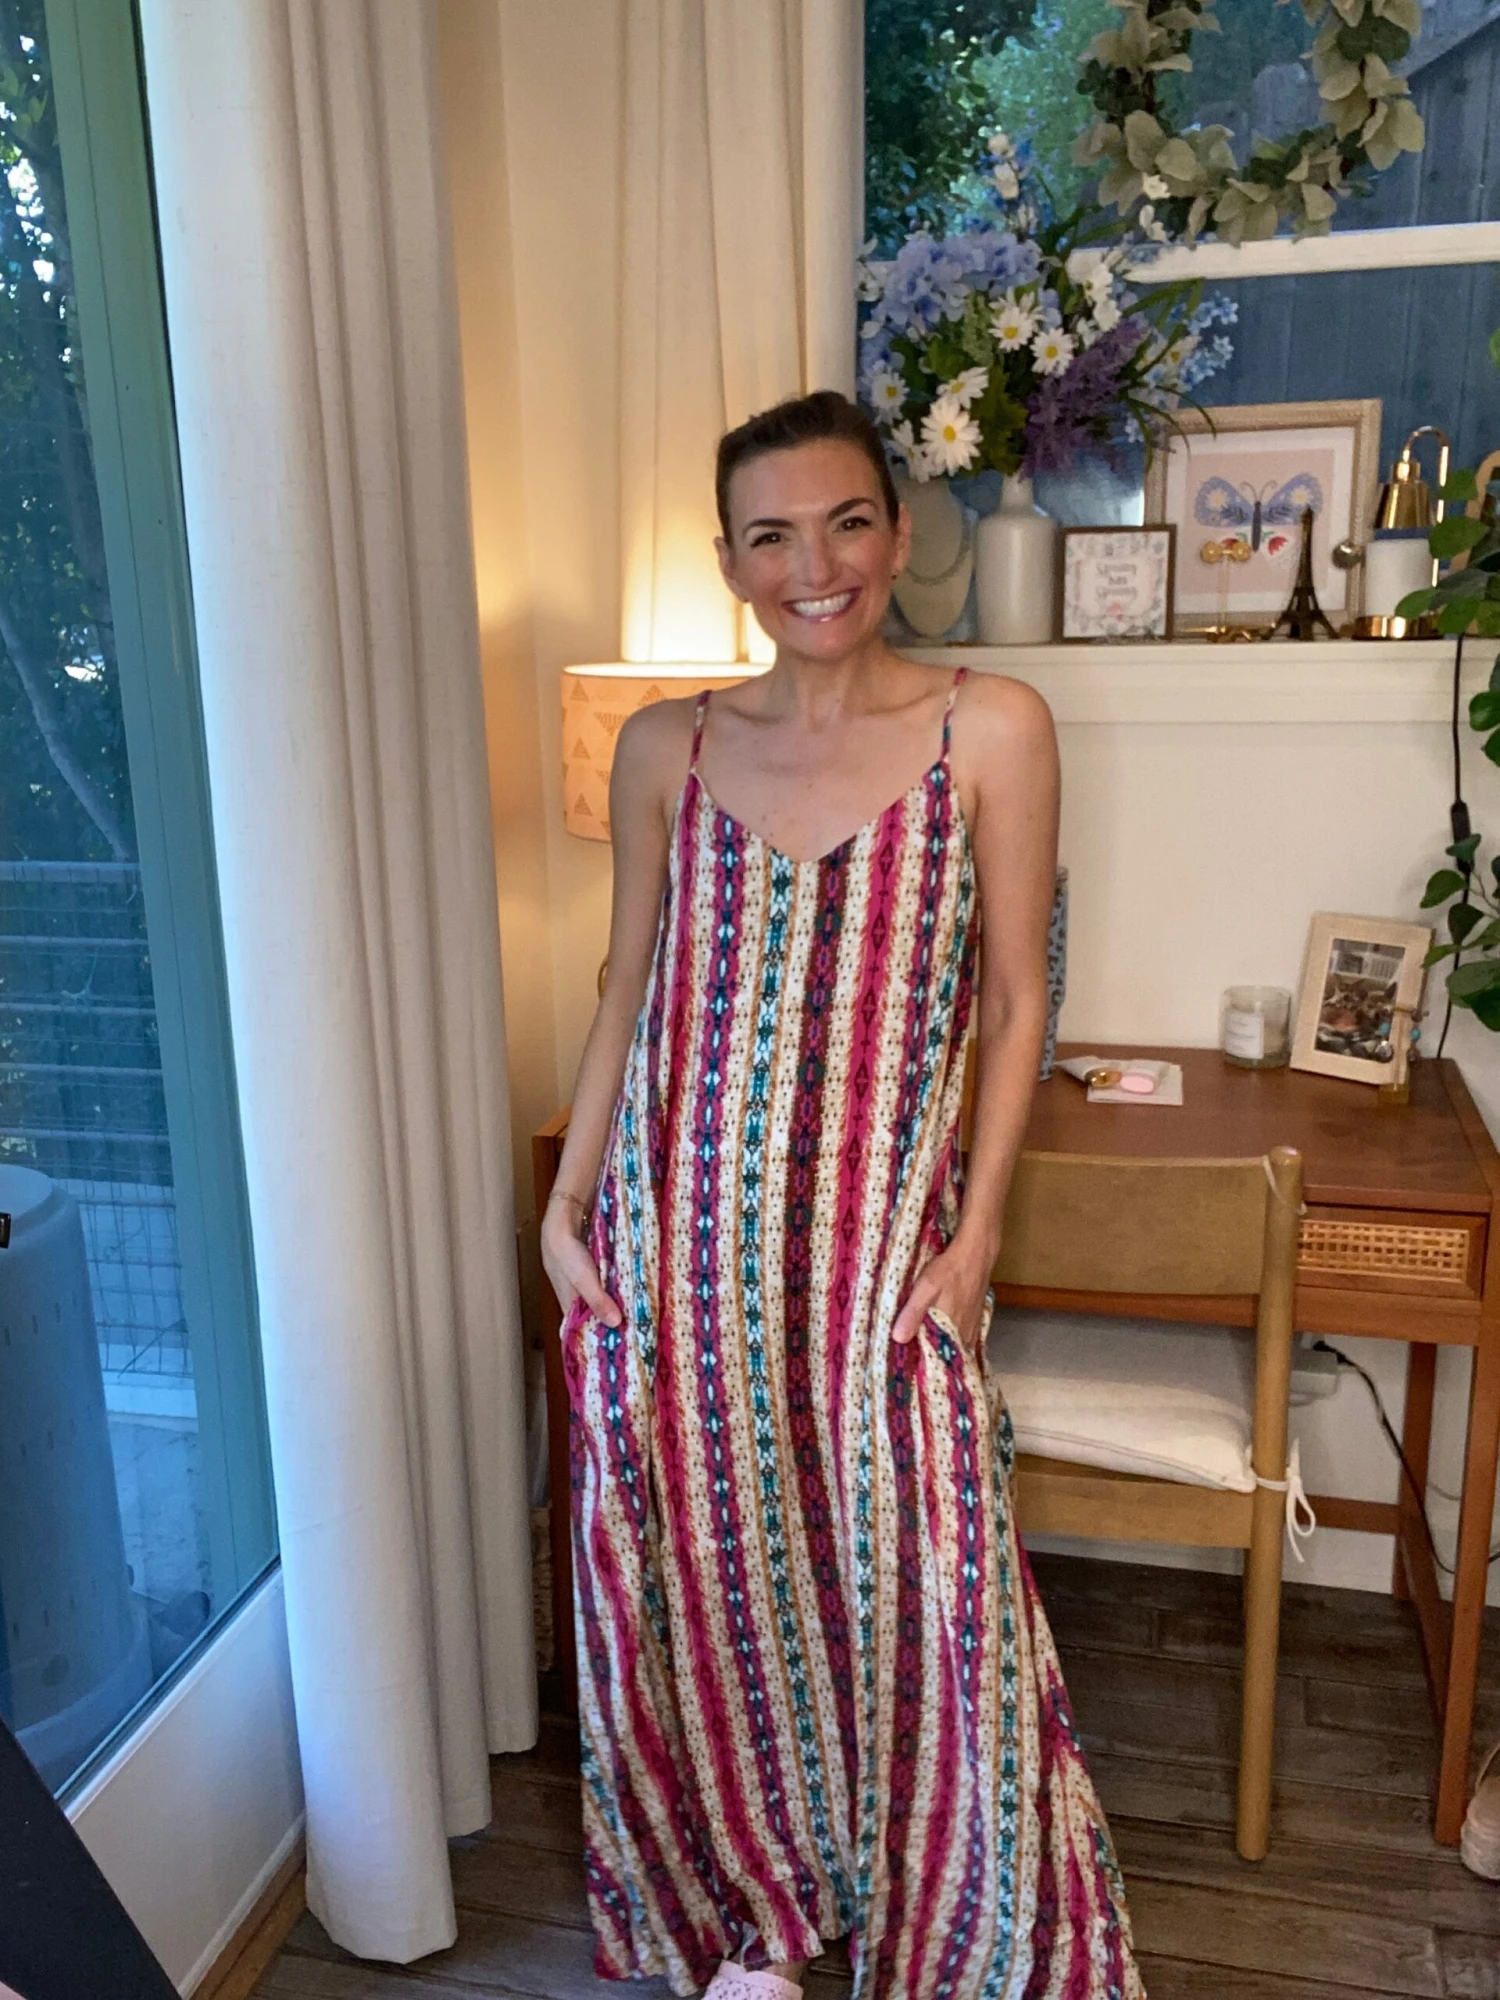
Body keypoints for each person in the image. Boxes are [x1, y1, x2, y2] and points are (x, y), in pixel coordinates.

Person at [541, 390, 1141, 1999]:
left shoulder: (990, 729)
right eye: (772, 536)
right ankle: (758, 1918)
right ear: (729, 560)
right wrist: (565, 1206)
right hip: (681, 1253)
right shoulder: (667, 747)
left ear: (899, 530)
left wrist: (977, 1235)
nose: (815, 566)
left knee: (918, 1580)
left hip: (882, 1257)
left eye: (847, 522)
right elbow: (626, 989)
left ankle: (946, 1910)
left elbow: (1015, 1002)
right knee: (714, 1590)